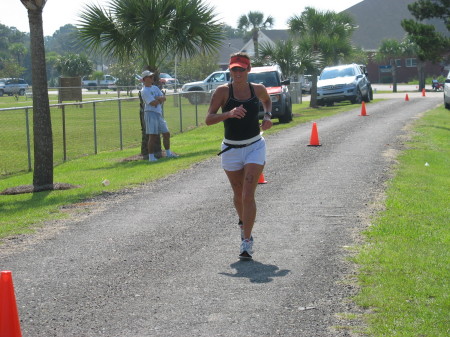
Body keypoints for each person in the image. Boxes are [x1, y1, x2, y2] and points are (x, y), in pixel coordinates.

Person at [205, 52, 273, 259]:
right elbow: (208, 119)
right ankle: (244, 224)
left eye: (241, 69)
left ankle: (246, 241)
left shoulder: (257, 89)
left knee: (247, 194)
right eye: (234, 69)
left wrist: (268, 116)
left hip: (254, 146)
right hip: (231, 148)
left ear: (248, 70)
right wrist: (229, 113)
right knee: (238, 193)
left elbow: (267, 101)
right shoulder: (223, 92)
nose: (237, 73)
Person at [140, 70, 177, 161]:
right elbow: (152, 103)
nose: (152, 78)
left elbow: (164, 98)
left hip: (158, 114)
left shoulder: (155, 88)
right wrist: (159, 99)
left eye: (152, 76)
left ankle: (168, 153)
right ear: (145, 79)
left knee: (166, 133)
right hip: (150, 114)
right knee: (152, 136)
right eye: (150, 77)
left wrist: (158, 99)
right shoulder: (144, 91)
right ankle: (151, 157)